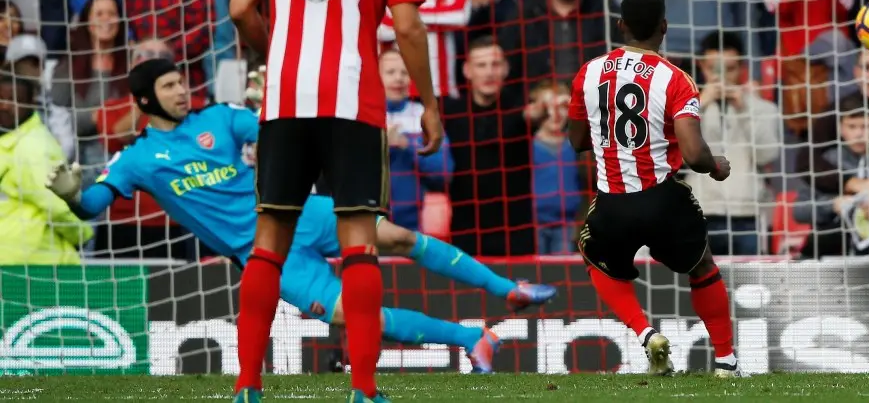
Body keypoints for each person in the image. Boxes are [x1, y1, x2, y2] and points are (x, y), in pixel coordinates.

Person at [45, 60, 556, 373]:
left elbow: (279, 128)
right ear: (144, 99)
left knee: (398, 236)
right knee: (356, 318)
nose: (182, 91)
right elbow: (93, 207)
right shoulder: (136, 158)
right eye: (171, 86)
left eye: (182, 82)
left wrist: (268, 103)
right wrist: (73, 195)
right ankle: (473, 338)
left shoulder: (219, 118)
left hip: (296, 212)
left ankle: (506, 288)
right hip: (265, 255)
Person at [228, 0, 443, 403]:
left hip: (285, 101)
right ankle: (364, 389)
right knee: (358, 244)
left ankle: (248, 384)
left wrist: (271, 45)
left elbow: (238, 6)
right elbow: (409, 26)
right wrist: (429, 104)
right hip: (353, 103)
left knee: (268, 242)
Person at [566, 0, 742, 378]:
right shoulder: (676, 79)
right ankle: (727, 362)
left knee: (596, 261)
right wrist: (717, 166)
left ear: (620, 25)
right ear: (664, 27)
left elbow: (577, 141)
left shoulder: (589, 72)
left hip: (612, 201)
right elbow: (694, 154)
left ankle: (647, 335)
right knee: (701, 267)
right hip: (663, 199)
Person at [0, 68, 92, 264]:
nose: (5, 106)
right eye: (0, 98)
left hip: (39, 263)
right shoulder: (9, 139)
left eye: (14, 99)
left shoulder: (34, 146)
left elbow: (54, 203)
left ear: (31, 102)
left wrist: (82, 234)